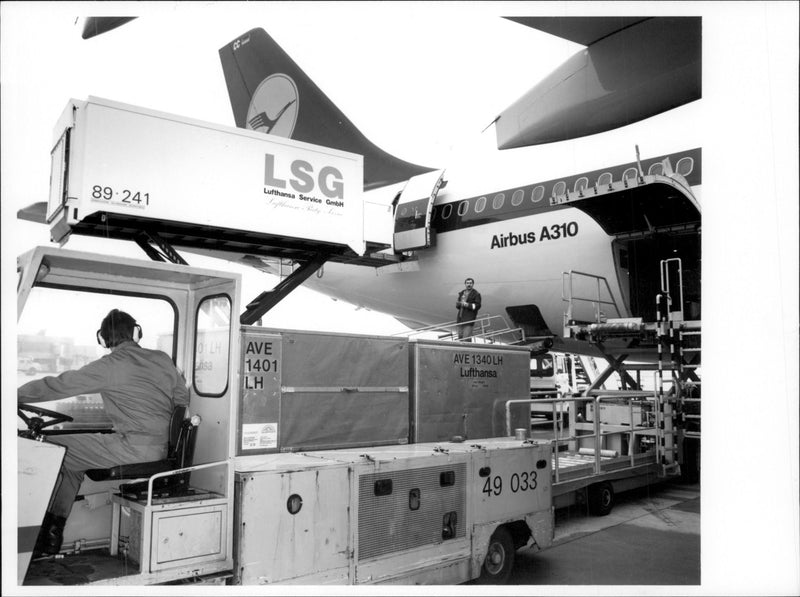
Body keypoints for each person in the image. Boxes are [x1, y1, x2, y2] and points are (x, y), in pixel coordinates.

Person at [18, 309, 189, 556]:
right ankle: (49, 538)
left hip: (131, 449)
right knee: (73, 464)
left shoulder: (109, 366)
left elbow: (57, 386)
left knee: (45, 448)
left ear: (103, 339)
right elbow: (182, 400)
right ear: (135, 332)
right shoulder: (162, 359)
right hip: (161, 449)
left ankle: (32, 539)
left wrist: (13, 394)